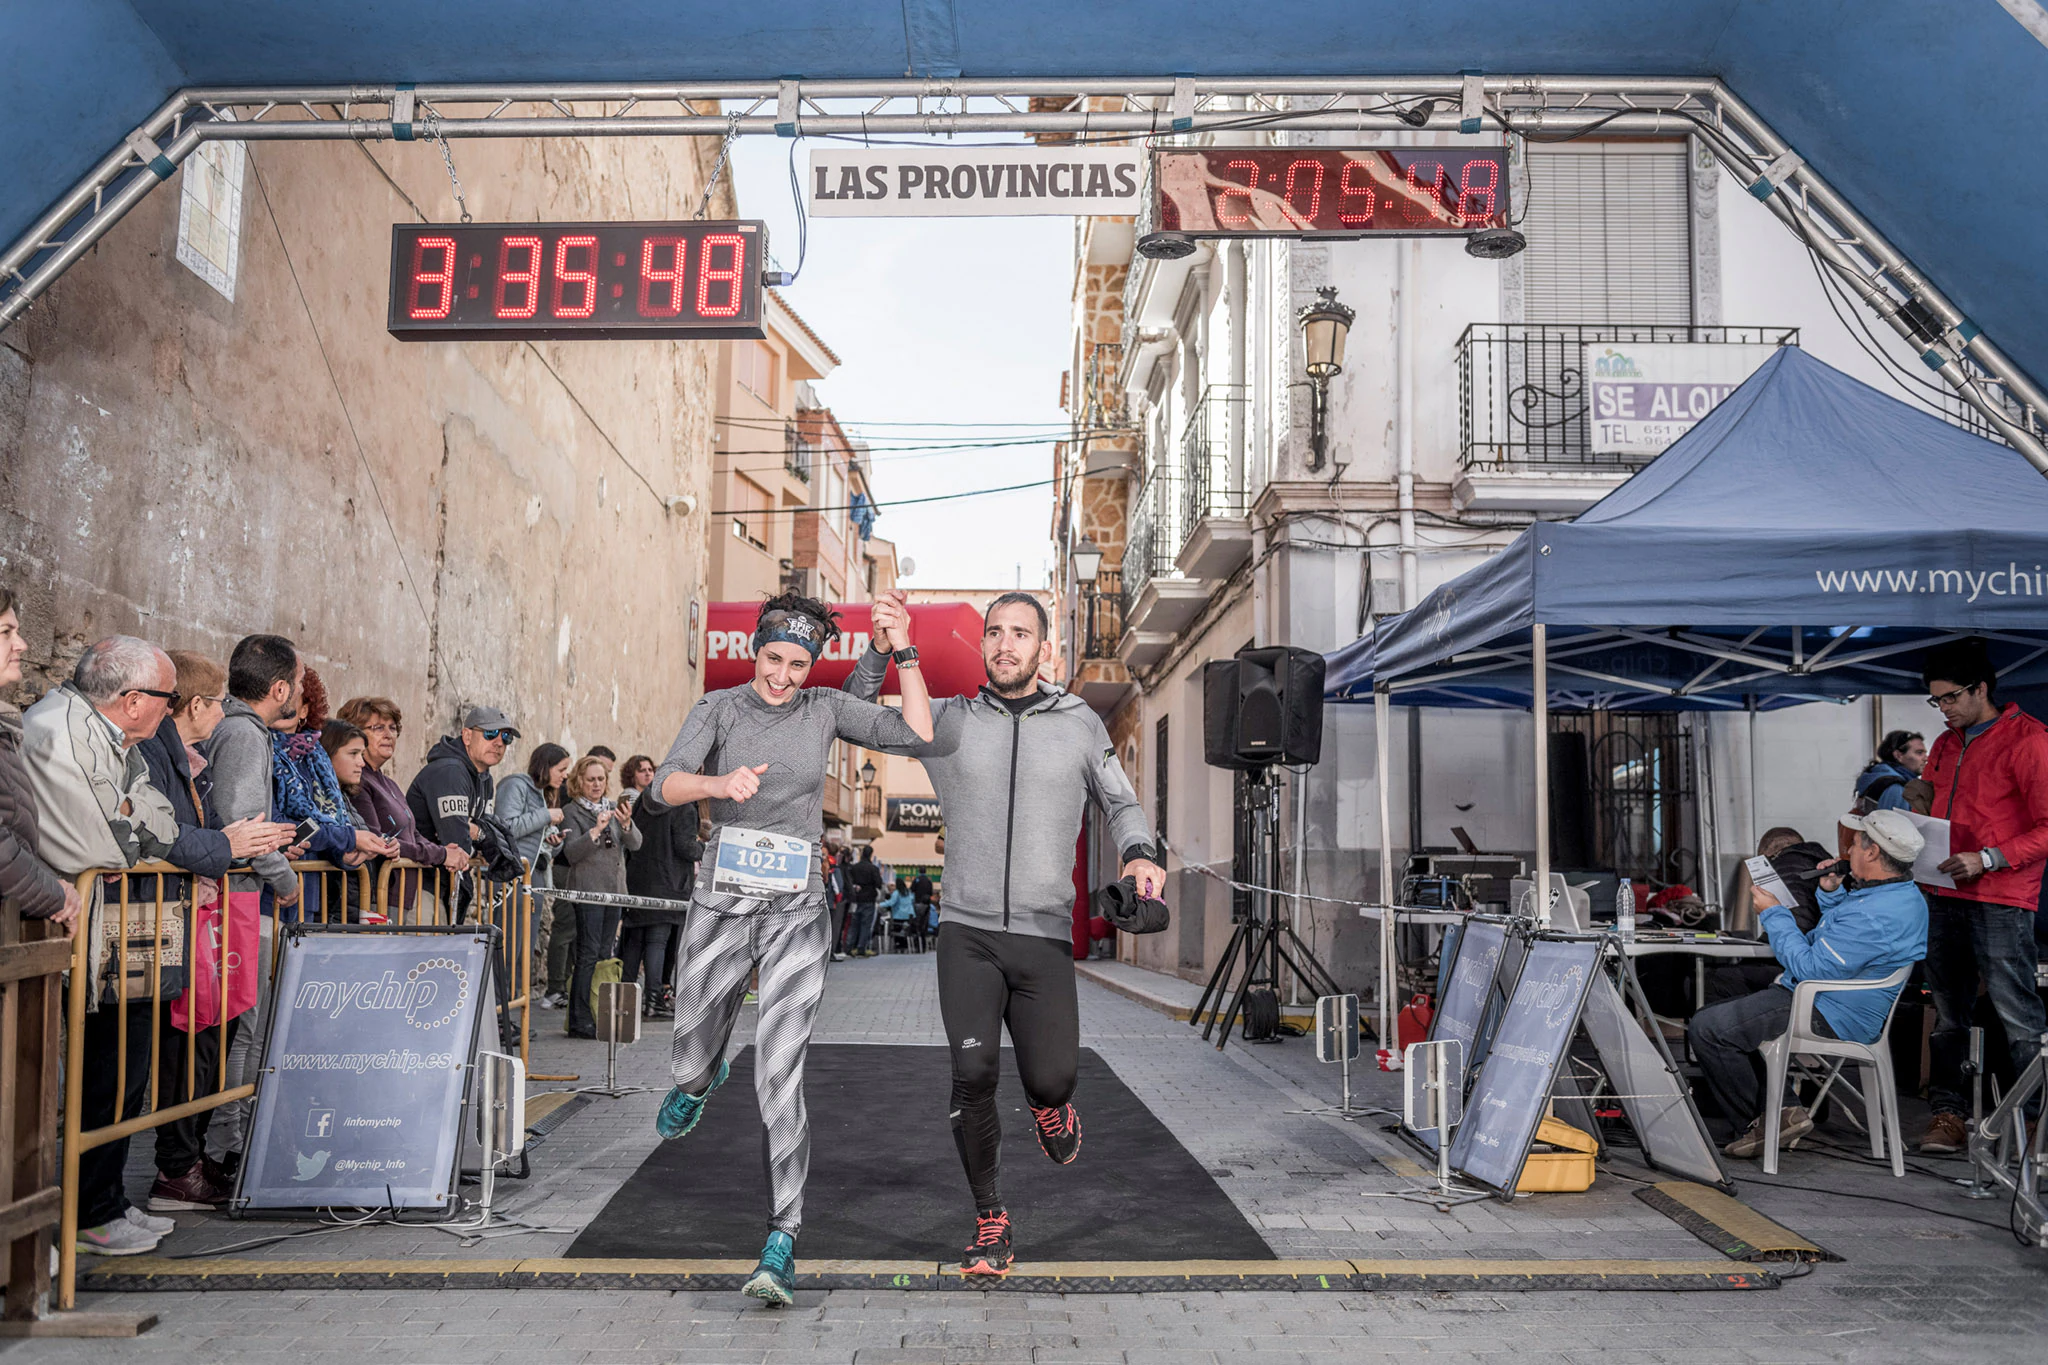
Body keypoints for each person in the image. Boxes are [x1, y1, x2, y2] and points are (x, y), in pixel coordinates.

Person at [844, 590, 1161, 1278]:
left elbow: (1122, 799)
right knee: (974, 1072)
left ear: (1044, 648)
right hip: (967, 931)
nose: (1005, 644)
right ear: (981, 644)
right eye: (994, 632)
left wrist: (1140, 851)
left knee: (1051, 1077)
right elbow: (856, 717)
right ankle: (991, 1217)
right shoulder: (947, 722)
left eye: (1021, 633)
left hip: (1044, 936)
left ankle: (1051, 1108)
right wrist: (881, 646)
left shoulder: (1079, 723)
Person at [640, 590, 933, 1306]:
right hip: (723, 894)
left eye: (797, 663)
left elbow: (918, 729)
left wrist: (906, 649)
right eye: (774, 659)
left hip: (798, 901)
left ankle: (782, 1236)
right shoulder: (718, 707)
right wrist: (717, 782)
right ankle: (697, 1080)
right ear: (754, 651)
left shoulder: (825, 707)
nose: (783, 675)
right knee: (688, 1050)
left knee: (780, 1069)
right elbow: (659, 787)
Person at [21, 636, 182, 1256]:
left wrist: (130, 817)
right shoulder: (59, 729)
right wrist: (131, 824)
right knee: (87, 1073)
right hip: (72, 930)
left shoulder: (122, 742)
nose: (172, 711)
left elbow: (159, 821)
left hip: (118, 926)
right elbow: (107, 849)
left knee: (122, 1067)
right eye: (167, 700)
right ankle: (83, 1213)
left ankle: (106, 1201)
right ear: (134, 698)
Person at [139, 651, 293, 1210]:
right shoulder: (235, 737)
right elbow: (210, 826)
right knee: (210, 1039)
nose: (222, 713)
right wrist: (249, 863)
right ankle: (188, 1163)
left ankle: (191, 1161)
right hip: (207, 912)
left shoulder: (188, 747)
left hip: (209, 906)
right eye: (216, 703)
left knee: (216, 1036)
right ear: (198, 704)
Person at [1690, 810, 1929, 1158]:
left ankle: (1762, 1123)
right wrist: (1830, 893)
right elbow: (1840, 938)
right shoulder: (1895, 895)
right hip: (1830, 996)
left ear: (1873, 852)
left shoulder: (1876, 913)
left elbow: (1809, 967)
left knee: (1708, 1027)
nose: (1849, 849)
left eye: (1856, 842)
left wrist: (1774, 914)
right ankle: (1785, 1106)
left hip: (1827, 1007)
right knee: (1724, 999)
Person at [1917, 637, 2048, 1153]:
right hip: (1942, 890)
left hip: (2001, 895)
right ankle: (1948, 1115)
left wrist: (1989, 857)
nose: (1943, 709)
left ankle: (2036, 1121)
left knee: (2017, 1014)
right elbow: (1931, 810)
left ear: (1981, 689)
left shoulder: (2029, 741)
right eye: (1936, 701)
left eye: (1950, 698)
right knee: (1947, 1013)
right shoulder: (1946, 744)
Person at [203, 634, 314, 1179]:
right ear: (278, 688)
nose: (298, 689)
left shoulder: (238, 730)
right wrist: (285, 876)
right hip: (242, 904)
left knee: (247, 1028)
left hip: (241, 899)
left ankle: (229, 1140)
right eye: (295, 679)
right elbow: (240, 820)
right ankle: (225, 1147)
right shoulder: (245, 734)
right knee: (246, 1029)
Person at [337, 696, 471, 917]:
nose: (388, 734)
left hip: (407, 893)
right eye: (378, 728)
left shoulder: (388, 783)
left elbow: (413, 833)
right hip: (383, 895)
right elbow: (377, 840)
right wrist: (441, 855)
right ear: (355, 734)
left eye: (392, 728)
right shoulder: (359, 783)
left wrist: (448, 851)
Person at [555, 755, 641, 1039]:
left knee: (605, 955)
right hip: (588, 892)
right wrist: (595, 830)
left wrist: (626, 824)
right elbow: (571, 853)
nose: (596, 784)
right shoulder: (571, 811)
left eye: (601, 779)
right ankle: (579, 1019)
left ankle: (601, 1013)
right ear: (579, 781)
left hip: (614, 892)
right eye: (590, 779)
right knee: (588, 954)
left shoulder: (613, 808)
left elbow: (636, 844)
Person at [621, 756, 698, 1019]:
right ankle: (654, 1001)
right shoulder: (684, 805)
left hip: (638, 877)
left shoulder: (646, 798)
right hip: (669, 881)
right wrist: (708, 849)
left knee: (634, 940)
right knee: (657, 941)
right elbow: (686, 847)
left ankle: (623, 1001)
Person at [498, 741, 570, 1000]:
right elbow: (506, 826)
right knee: (509, 947)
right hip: (512, 875)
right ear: (546, 766)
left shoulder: (542, 794)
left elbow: (536, 840)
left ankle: (515, 1013)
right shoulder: (516, 784)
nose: (564, 775)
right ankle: (500, 1014)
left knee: (524, 950)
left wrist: (555, 842)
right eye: (561, 769)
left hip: (534, 876)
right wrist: (546, 816)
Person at [407, 705, 515, 862]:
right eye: (490, 733)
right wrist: (478, 834)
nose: (499, 743)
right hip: (425, 880)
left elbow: (492, 835)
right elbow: (457, 842)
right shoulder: (450, 771)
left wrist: (477, 833)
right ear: (467, 736)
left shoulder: (484, 778)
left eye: (506, 737)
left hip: (450, 879)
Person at [1853, 730, 1927, 813]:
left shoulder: (1878, 775)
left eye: (1925, 753)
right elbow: (1895, 825)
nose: (1926, 758)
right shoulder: (1896, 788)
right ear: (1899, 755)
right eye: (1919, 753)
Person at [845, 846, 884, 957]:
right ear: (871, 854)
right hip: (869, 899)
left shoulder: (854, 868)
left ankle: (849, 947)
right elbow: (879, 884)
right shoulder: (873, 869)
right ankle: (861, 948)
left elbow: (849, 881)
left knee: (854, 924)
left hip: (856, 899)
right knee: (865, 925)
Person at [885, 876, 917, 952]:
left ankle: (898, 945)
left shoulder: (896, 893)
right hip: (909, 916)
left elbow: (891, 902)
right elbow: (913, 901)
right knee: (906, 931)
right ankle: (905, 944)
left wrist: (880, 904)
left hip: (898, 916)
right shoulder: (909, 892)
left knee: (896, 929)